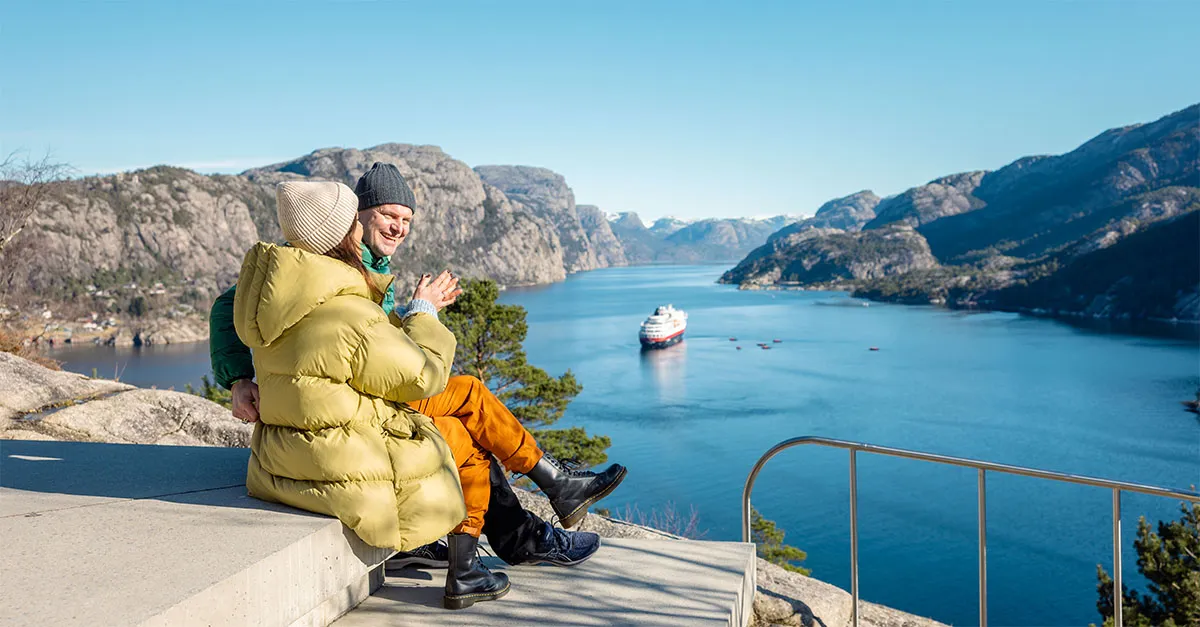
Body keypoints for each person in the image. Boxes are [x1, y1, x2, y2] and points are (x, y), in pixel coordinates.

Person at [213, 167, 627, 609]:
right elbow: (413, 370)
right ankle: (511, 534)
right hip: (352, 419)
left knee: (462, 419)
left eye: (407, 220)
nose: (399, 228)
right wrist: (423, 313)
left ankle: (517, 529)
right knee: (465, 408)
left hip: (337, 411)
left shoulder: (319, 271)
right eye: (386, 215)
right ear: (354, 221)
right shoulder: (327, 277)